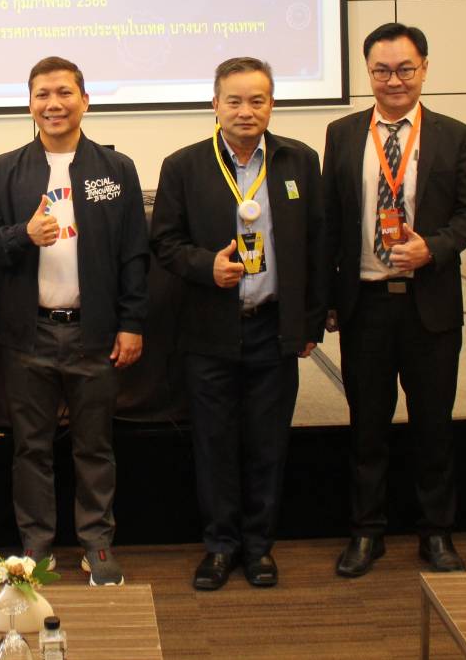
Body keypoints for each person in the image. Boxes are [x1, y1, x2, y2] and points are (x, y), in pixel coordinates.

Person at [149, 57, 327, 590]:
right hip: (209, 329)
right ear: (215, 104)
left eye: (257, 100)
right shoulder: (183, 165)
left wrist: (309, 323)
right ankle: (220, 546)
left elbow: (317, 243)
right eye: (235, 100)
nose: (246, 111)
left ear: (271, 104)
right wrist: (208, 266)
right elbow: (164, 242)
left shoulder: (299, 161)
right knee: (214, 444)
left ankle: (259, 547)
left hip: (274, 327)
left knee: (268, 444)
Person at [0, 55, 148, 586]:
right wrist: (22, 235)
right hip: (29, 334)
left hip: (96, 333)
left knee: (95, 445)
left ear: (84, 100)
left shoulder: (115, 169)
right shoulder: (5, 170)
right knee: (31, 448)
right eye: (43, 94)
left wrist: (132, 322)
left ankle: (97, 544)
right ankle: (37, 547)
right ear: (30, 104)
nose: (54, 103)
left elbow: (134, 253)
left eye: (64, 92)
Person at [322, 23, 466, 577]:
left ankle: (436, 532)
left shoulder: (454, 135)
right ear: (368, 72)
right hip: (365, 304)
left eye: (405, 69)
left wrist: (432, 248)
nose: (394, 80)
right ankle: (366, 532)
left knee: (433, 425)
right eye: (382, 70)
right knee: (367, 425)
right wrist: (328, 298)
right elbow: (330, 219)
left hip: (428, 304)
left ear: (424, 69)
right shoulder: (342, 133)